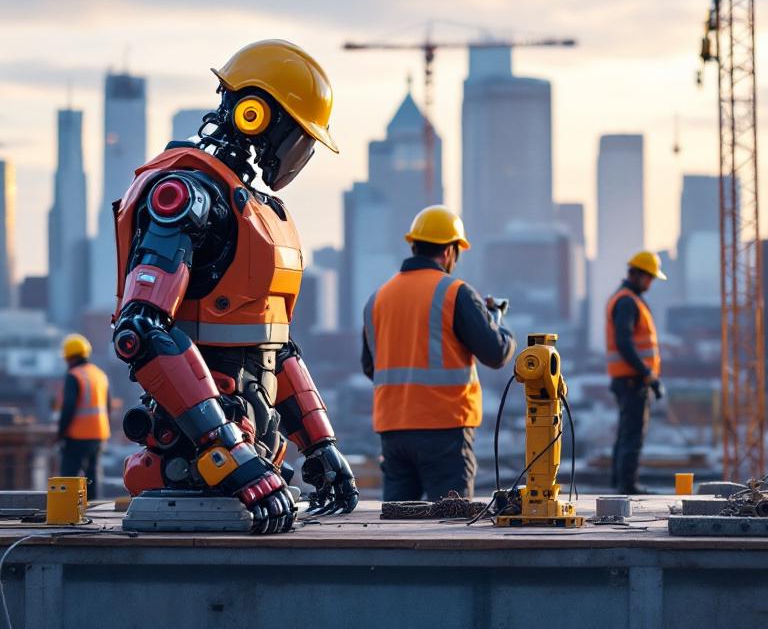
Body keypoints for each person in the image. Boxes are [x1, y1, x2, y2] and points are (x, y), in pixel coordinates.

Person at [110, 40, 357, 534]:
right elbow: (140, 331)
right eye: (298, 136)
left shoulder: (253, 208)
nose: (299, 153)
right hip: (196, 464)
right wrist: (225, 449)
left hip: (250, 461)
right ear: (255, 114)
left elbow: (273, 344)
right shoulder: (184, 194)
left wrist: (320, 444)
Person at [362, 205, 516, 502]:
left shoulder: (377, 299)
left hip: (394, 430)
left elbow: (372, 367)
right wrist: (498, 321)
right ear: (449, 251)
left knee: (396, 525)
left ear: (414, 244)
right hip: (444, 430)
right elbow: (495, 353)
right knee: (450, 526)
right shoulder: (454, 292)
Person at [605, 251, 666, 495]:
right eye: (649, 277)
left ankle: (620, 483)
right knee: (632, 435)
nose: (651, 283)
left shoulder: (627, 299)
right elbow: (624, 343)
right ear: (639, 275)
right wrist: (647, 374)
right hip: (632, 379)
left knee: (625, 433)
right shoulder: (627, 301)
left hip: (627, 378)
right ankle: (627, 486)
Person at [55, 333, 111, 499]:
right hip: (99, 434)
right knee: (92, 476)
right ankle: (92, 511)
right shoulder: (99, 375)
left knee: (69, 476)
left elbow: (68, 408)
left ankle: (67, 510)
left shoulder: (74, 376)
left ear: (69, 357)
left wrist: (60, 434)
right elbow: (107, 406)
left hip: (78, 435)